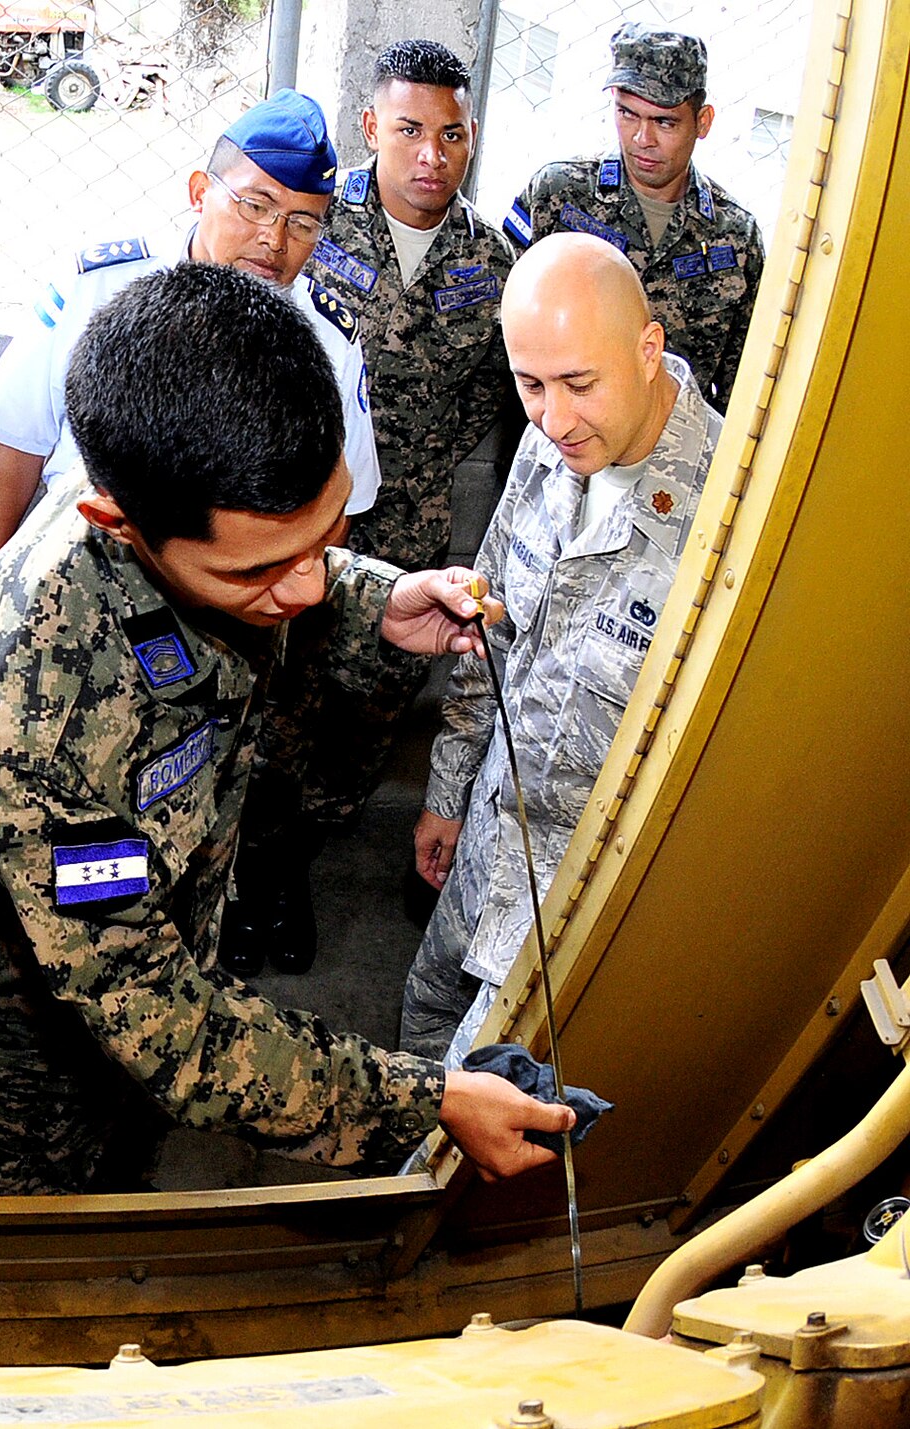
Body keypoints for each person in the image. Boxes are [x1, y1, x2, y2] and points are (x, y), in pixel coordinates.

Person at [0, 261, 578, 1195]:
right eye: (258, 573)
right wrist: (427, 1100)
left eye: (323, 537)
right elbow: (164, 1024)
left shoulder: (188, 487)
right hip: (33, 1070)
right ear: (115, 522)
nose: (303, 589)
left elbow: (285, 563)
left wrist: (375, 597)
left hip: (170, 959)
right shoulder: (23, 712)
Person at [399, 233, 721, 1061]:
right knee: (424, 1008)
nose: (553, 416)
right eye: (530, 385)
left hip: (574, 901)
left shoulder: (728, 514)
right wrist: (447, 791)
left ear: (649, 350)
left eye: (580, 382)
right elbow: (490, 625)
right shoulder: (549, 445)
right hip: (488, 836)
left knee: (471, 1110)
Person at [247, 40, 521, 963]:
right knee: (270, 700)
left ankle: (298, 854)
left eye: (451, 134)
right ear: (372, 127)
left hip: (406, 535)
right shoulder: (313, 223)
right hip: (300, 518)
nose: (430, 155)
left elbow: (501, 392)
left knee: (365, 718)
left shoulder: (494, 262)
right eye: (408, 130)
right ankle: (252, 870)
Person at [0, 87, 378, 579]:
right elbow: (18, 447)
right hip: (89, 570)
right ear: (200, 192)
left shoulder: (330, 337)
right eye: (255, 206)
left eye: (303, 223)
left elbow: (340, 507)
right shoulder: (99, 286)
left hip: (239, 592)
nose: (275, 239)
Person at [504, 23, 765, 411]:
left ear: (703, 122)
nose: (642, 138)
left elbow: (740, 383)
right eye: (627, 113)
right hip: (559, 445)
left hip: (673, 459)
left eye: (664, 122)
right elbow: (502, 338)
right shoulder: (557, 195)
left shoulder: (735, 237)